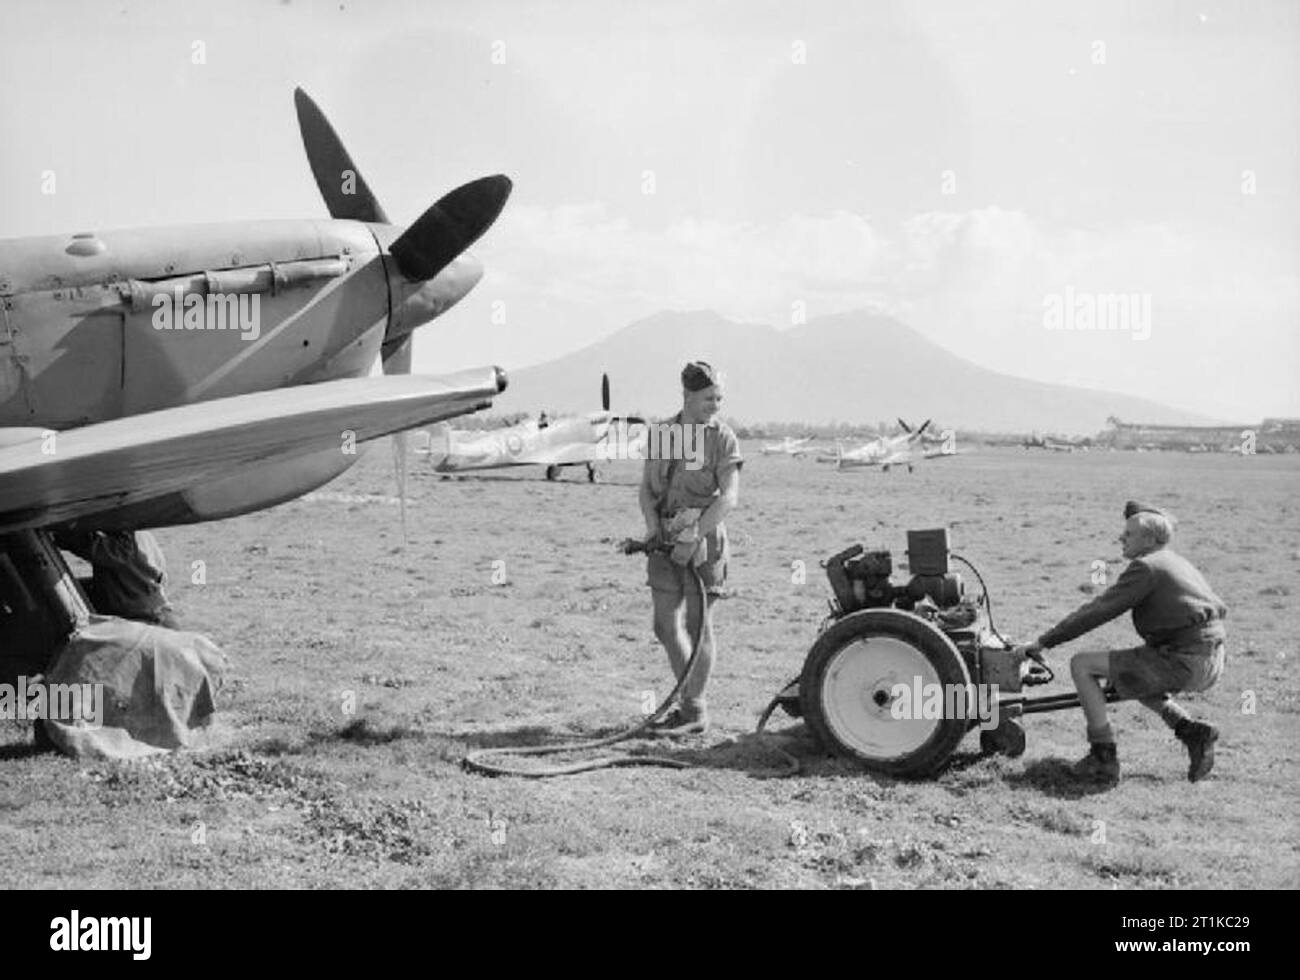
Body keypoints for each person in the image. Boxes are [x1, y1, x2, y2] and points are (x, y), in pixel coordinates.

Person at [1015, 501, 1226, 784]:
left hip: (1185, 660)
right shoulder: (1175, 561)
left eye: (1128, 534)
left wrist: (1044, 642)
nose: (1120, 538)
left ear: (1150, 539)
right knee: (1129, 675)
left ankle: (1103, 757)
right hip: (1211, 659)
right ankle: (1192, 732)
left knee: (1082, 665)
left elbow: (1100, 610)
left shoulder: (1147, 567)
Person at [636, 361, 742, 736]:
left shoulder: (722, 438)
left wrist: (694, 536)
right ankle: (688, 703)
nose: (716, 405)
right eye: (708, 398)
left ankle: (694, 708)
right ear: (687, 396)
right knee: (665, 627)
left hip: (705, 538)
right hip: (664, 539)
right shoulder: (666, 433)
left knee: (699, 626)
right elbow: (648, 491)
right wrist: (653, 529)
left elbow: (728, 497)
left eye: (719, 398)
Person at [53, 529, 180, 629]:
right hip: (155, 616)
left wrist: (61, 533)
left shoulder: (123, 545)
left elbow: (99, 548)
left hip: (145, 622)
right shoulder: (141, 534)